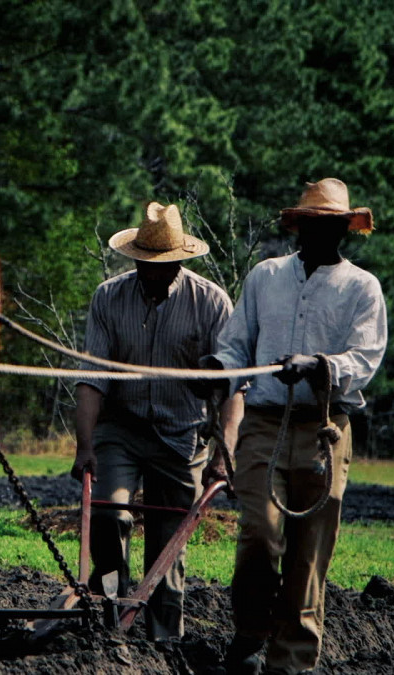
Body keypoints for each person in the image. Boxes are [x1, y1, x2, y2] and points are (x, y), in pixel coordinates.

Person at [206, 178, 387, 674]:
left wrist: (317, 365)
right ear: (299, 225)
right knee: (259, 534)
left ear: (343, 230)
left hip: (325, 430)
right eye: (311, 222)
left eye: (329, 224)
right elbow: (237, 343)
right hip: (264, 423)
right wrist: (220, 368)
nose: (318, 231)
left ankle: (290, 663)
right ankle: (251, 625)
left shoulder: (362, 287)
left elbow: (365, 358)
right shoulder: (265, 277)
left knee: (309, 558)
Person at [70, 201, 245, 641]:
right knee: (109, 512)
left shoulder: (210, 303)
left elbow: (231, 389)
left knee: (169, 545)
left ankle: (164, 643)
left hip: (181, 434)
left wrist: (224, 454)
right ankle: (107, 620)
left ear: (181, 261)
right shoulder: (109, 297)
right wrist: (84, 445)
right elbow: (92, 379)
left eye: (162, 266)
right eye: (144, 264)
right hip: (121, 428)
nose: (152, 273)